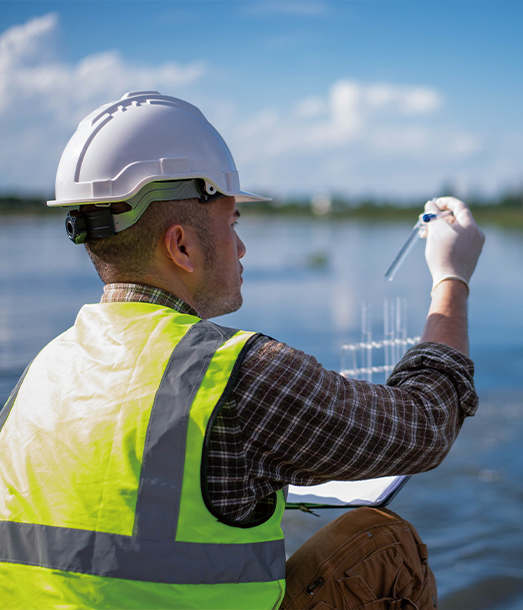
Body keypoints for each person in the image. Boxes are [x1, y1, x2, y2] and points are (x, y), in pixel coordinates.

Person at [0, 91, 484, 609]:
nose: (242, 246)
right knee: (383, 545)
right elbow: (426, 423)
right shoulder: (235, 373)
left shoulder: (40, 374)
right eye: (232, 223)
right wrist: (451, 277)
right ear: (181, 246)